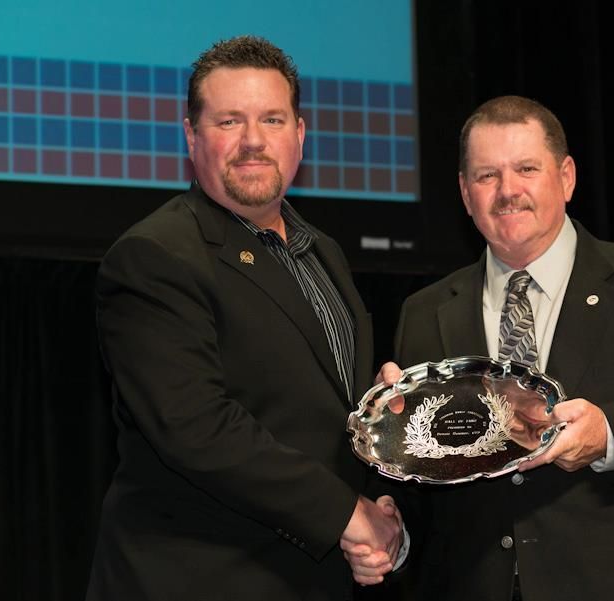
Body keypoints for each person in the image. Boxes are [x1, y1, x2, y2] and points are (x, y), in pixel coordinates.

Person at [380, 95, 614, 601]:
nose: (507, 191)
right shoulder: (426, 312)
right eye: (486, 176)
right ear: (464, 193)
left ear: (566, 177)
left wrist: (609, 433)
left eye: (526, 169)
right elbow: (427, 477)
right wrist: (396, 455)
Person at [86, 36, 402, 601]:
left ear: (300, 134)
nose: (254, 142)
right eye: (229, 120)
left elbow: (321, 412)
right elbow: (197, 428)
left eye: (273, 120)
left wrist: (387, 426)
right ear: (191, 135)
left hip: (313, 578)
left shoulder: (322, 251)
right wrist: (344, 514)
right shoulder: (154, 256)